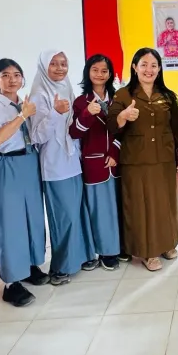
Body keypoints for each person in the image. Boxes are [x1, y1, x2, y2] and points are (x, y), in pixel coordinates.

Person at [108, 48, 178, 271]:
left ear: (159, 68)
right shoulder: (123, 94)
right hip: (136, 160)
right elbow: (111, 126)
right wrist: (123, 116)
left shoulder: (168, 95)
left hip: (163, 158)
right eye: (143, 64)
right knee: (141, 206)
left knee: (165, 203)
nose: (148, 69)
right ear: (134, 67)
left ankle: (167, 244)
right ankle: (147, 252)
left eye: (153, 65)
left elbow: (176, 127)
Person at [0, 59, 47, 308]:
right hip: (7, 165)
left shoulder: (26, 102)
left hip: (30, 162)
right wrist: (22, 116)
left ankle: (30, 265)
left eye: (17, 74)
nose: (12, 79)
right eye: (5, 75)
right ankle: (11, 283)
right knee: (9, 223)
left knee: (32, 217)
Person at [30, 50, 97, 285]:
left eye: (64, 63)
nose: (60, 68)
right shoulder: (38, 95)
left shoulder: (67, 87)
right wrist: (55, 114)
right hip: (55, 165)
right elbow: (37, 136)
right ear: (44, 67)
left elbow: (73, 128)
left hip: (73, 161)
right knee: (64, 217)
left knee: (79, 211)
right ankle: (60, 267)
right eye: (54, 64)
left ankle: (84, 256)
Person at [70, 54, 122, 270]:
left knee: (119, 207)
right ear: (88, 73)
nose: (100, 74)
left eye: (104, 70)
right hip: (94, 164)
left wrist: (115, 153)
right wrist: (87, 114)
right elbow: (74, 132)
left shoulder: (118, 98)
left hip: (116, 163)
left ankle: (121, 246)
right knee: (99, 210)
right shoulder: (81, 102)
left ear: (110, 74)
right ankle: (106, 251)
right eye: (95, 70)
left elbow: (124, 130)